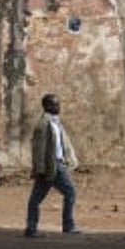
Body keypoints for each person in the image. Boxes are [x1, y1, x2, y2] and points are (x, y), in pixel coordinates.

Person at [25, 93, 80, 237]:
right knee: (70, 192)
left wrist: (70, 160)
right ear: (47, 106)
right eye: (55, 104)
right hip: (51, 166)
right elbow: (38, 149)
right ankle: (68, 225)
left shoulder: (56, 123)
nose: (58, 106)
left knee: (36, 199)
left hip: (57, 164)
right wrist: (41, 168)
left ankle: (31, 228)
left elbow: (63, 144)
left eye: (58, 104)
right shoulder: (43, 125)